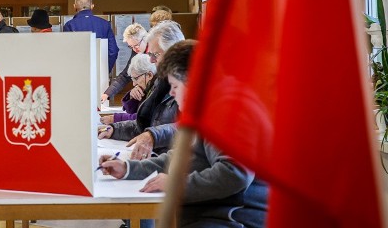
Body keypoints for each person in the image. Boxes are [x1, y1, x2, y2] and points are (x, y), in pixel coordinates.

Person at [99, 40, 268, 228]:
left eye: (175, 86)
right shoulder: (211, 107)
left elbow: (235, 173)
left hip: (231, 219)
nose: (171, 93)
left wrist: (175, 184)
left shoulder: (229, 109)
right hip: (211, 214)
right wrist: (128, 168)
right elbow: (181, 159)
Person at [98, 20, 185, 159]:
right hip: (160, 159)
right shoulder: (160, 81)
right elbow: (144, 122)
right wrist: (114, 129)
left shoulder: (191, 85)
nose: (150, 60)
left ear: (173, 51)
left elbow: (190, 131)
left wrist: (153, 136)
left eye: (155, 55)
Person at [63, 0, 118, 72]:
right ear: (92, 6)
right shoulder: (105, 24)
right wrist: (105, 71)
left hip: (77, 73)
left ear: (74, 6)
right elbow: (113, 51)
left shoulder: (69, 25)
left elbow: (67, 53)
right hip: (100, 72)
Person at [100, 53, 156, 124]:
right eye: (132, 79)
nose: (134, 84)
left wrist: (115, 118)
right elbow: (132, 113)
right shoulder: (147, 87)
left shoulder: (158, 90)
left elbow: (144, 118)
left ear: (149, 75)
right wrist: (132, 98)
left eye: (136, 78)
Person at [101, 23, 149, 103]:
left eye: (136, 45)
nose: (134, 49)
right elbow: (126, 75)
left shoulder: (156, 50)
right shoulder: (137, 51)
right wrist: (107, 94)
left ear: (145, 38)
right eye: (131, 46)